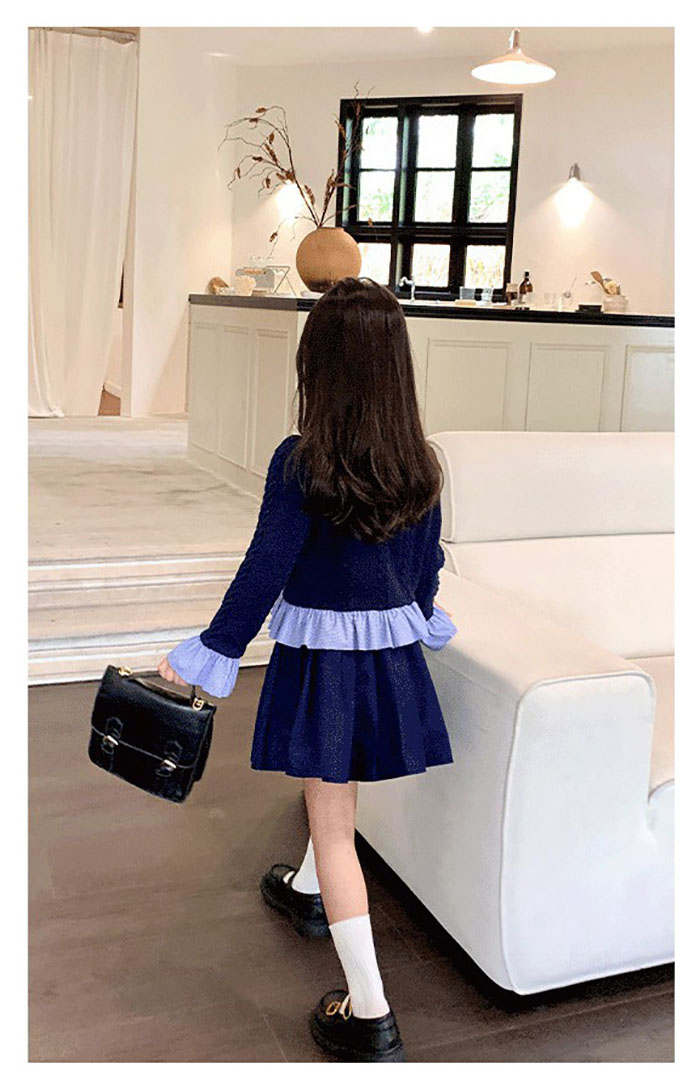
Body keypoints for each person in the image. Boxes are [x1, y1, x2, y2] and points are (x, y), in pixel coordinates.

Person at [158, 277, 457, 1062]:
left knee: (331, 823)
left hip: (326, 670)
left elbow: (265, 567)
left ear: (317, 366)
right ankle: (307, 889)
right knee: (336, 794)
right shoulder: (422, 464)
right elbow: (426, 571)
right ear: (396, 368)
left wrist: (211, 651)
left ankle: (371, 1012)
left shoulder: (301, 462)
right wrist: (423, 615)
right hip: (390, 665)